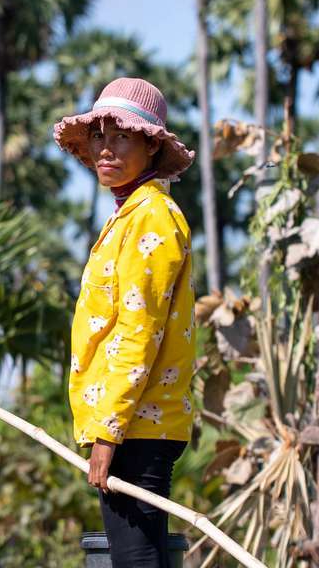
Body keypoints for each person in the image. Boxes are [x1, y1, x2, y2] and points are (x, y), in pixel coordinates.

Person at [52, 76, 198, 568]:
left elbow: (139, 334)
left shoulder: (152, 217)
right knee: (140, 556)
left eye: (121, 137)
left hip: (138, 425)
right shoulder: (129, 216)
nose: (105, 149)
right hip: (131, 423)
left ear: (151, 145)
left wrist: (108, 433)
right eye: (98, 137)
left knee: (136, 561)